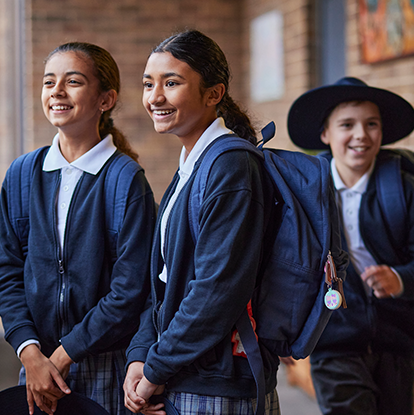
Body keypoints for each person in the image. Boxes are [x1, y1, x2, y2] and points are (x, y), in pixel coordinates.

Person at [0, 42, 156, 415]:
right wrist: (30, 352)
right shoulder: (21, 174)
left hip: (104, 361)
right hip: (37, 362)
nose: (57, 92)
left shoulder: (125, 180)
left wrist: (65, 354)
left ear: (105, 99)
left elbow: (130, 291)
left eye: (73, 81)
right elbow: (5, 273)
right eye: (50, 82)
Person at [122, 30, 279, 415]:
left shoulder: (230, 166)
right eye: (148, 84)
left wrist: (155, 368)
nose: (155, 97)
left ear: (214, 94)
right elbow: (163, 283)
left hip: (219, 386)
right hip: (185, 374)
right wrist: (140, 354)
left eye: (171, 83)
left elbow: (216, 290)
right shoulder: (193, 167)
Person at [286, 77, 414, 415]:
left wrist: (401, 279)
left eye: (371, 124)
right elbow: (285, 266)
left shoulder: (406, 190)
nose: (361, 135)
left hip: (396, 342)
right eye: (347, 124)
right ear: (325, 134)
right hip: (332, 340)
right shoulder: (304, 194)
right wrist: (283, 328)